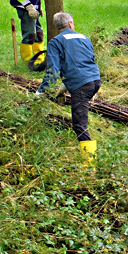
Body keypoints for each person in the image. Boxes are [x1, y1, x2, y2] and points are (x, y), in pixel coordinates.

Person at [35, 12, 102, 163]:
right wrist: (64, 88)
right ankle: (89, 160)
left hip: (81, 85)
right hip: (95, 80)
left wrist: (41, 91)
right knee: (82, 116)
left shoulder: (55, 42)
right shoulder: (84, 38)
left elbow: (53, 70)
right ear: (71, 24)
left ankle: (89, 164)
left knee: (79, 125)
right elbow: (84, 64)